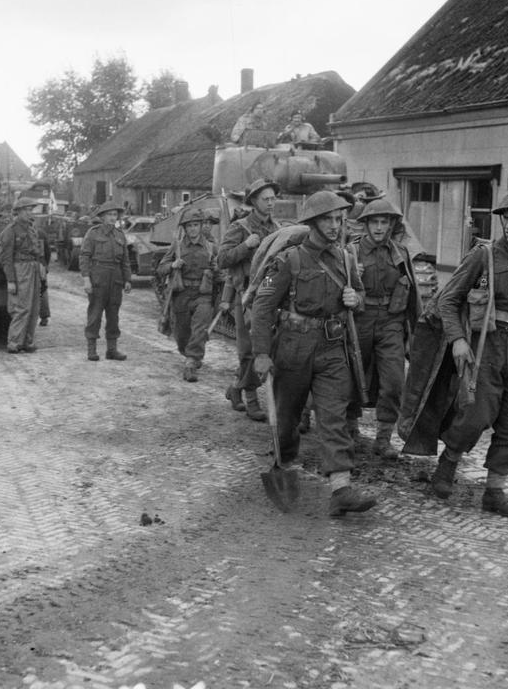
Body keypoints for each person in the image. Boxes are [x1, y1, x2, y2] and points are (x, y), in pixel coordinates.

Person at [406, 189, 508, 518]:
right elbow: (447, 300)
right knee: (475, 414)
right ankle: (447, 464)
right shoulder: (483, 256)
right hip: (486, 347)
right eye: (506, 220)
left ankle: (495, 490)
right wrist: (458, 338)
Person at [250, 190, 377, 517]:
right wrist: (262, 354)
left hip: (333, 348)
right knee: (288, 417)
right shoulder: (289, 260)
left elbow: (360, 297)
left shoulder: (346, 261)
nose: (335, 225)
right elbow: (263, 309)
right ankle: (282, 460)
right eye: (328, 219)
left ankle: (340, 488)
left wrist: (355, 299)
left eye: (339, 219)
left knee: (333, 415)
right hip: (293, 347)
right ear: (312, 222)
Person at [346, 199, 422, 459]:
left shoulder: (400, 253)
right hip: (360, 319)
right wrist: (350, 273)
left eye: (384, 222)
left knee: (394, 380)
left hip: (391, 321)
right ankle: (351, 428)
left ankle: (383, 438)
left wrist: (417, 330)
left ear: (391, 225)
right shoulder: (351, 251)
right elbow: (335, 289)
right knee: (354, 376)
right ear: (365, 225)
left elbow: (413, 294)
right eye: (374, 222)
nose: (379, 228)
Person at [217, 177, 280, 420]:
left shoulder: (277, 229)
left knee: (266, 348)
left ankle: (235, 388)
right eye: (266, 199)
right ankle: (252, 400)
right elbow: (222, 260)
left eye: (273, 198)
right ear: (253, 201)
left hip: (271, 297)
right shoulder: (240, 227)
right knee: (249, 351)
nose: (271, 203)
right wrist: (245, 245)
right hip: (245, 298)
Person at [156, 208, 219, 382]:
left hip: (202, 294)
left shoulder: (211, 247)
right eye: (189, 225)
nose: (193, 229)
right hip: (181, 295)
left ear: (201, 227)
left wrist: (216, 269)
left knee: (199, 329)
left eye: (196, 225)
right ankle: (189, 354)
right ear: (185, 228)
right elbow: (160, 269)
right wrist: (173, 265)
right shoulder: (176, 246)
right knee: (182, 334)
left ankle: (191, 362)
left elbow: (222, 273)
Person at [79, 200, 132, 362]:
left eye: (114, 215)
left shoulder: (120, 235)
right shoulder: (93, 233)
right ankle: (92, 349)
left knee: (113, 315)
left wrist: (127, 279)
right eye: (109, 215)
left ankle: (112, 349)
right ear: (102, 217)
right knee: (95, 314)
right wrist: (86, 279)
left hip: (115, 278)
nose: (112, 217)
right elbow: (84, 257)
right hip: (98, 277)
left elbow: (125, 261)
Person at [0, 196, 42, 354]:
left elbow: (37, 250)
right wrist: (11, 280)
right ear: (18, 212)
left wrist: (41, 267)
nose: (31, 213)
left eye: (31, 210)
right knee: (21, 307)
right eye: (27, 210)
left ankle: (27, 341)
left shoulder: (31, 229)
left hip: (33, 267)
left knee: (34, 306)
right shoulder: (10, 231)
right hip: (20, 269)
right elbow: (7, 258)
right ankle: (14, 342)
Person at [37, 226, 51, 327]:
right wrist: (45, 264)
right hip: (41, 263)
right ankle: (44, 317)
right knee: (42, 290)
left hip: (26, 264)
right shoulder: (41, 232)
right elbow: (48, 251)